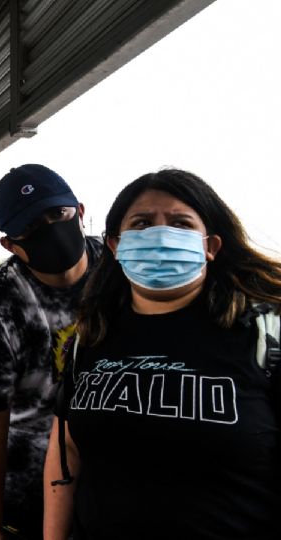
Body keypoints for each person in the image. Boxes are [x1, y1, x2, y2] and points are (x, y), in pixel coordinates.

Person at [43, 169, 281, 540]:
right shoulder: (92, 336)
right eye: (141, 223)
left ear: (211, 246)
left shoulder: (265, 335)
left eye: (180, 223)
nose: (159, 235)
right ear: (115, 245)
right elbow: (67, 448)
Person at [0, 164, 100, 540]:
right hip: (29, 487)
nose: (50, 228)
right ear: (10, 244)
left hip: (111, 481)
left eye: (58, 214)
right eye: (32, 227)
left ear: (80, 211)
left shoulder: (119, 268)